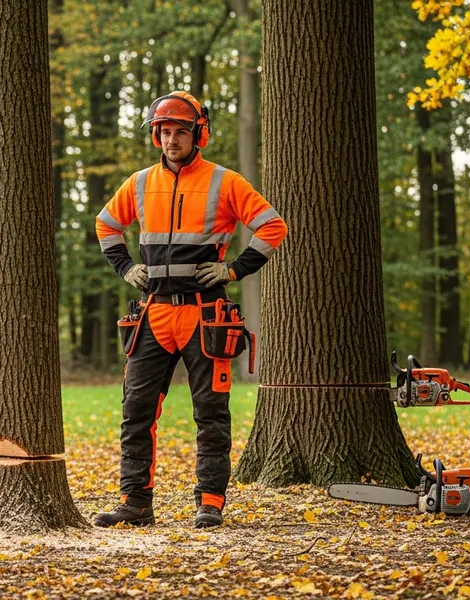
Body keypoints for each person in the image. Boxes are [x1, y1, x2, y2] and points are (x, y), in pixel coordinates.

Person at [93, 91, 288, 529]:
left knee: (211, 414)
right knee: (136, 411)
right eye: (164, 132)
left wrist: (234, 270)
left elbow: (273, 226)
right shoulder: (140, 183)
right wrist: (125, 266)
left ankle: (211, 501)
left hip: (205, 315)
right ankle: (136, 501)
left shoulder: (225, 182)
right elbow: (107, 224)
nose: (171, 140)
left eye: (180, 131)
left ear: (198, 134)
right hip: (153, 314)